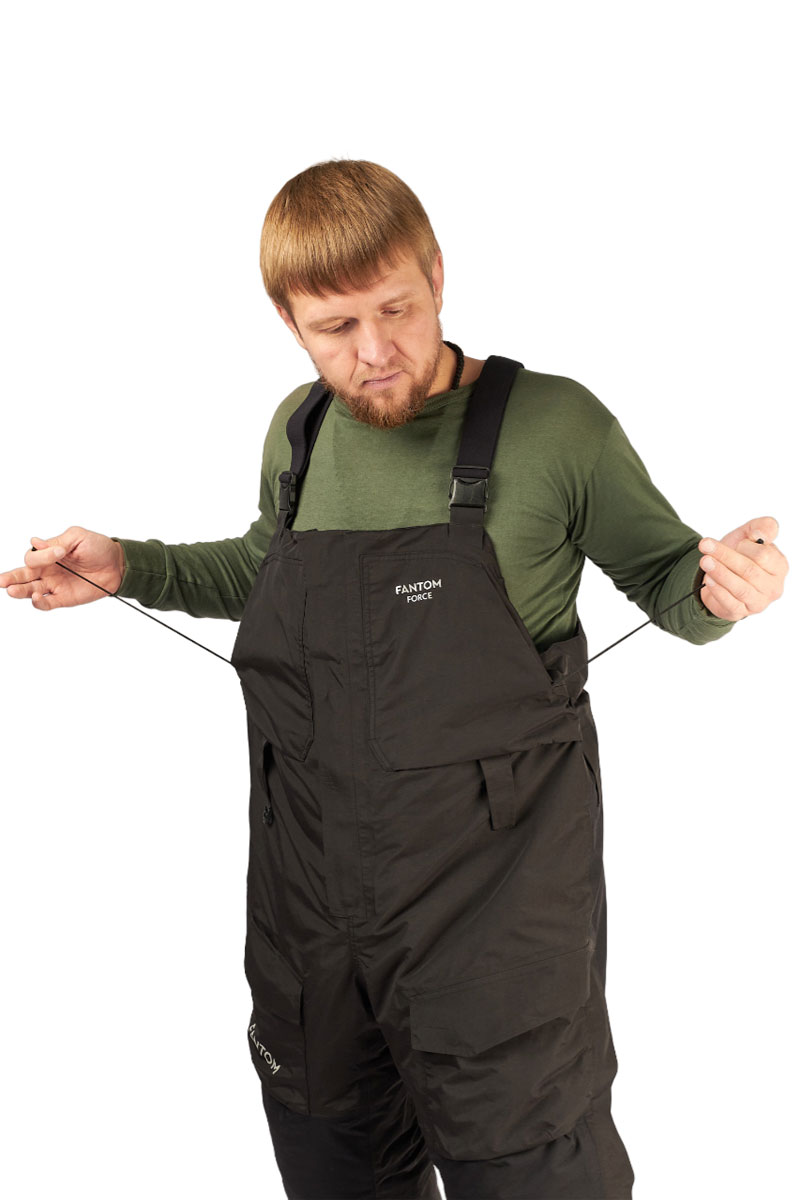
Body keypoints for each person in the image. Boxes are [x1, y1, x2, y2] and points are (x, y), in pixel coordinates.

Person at [0, 160, 788, 1200]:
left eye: (397, 310)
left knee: (535, 1169)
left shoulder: (557, 427)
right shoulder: (299, 428)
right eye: (335, 328)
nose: (373, 353)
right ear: (288, 321)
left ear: (437, 276)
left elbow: (672, 586)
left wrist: (728, 587)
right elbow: (267, 568)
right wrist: (130, 567)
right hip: (307, 909)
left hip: (495, 915)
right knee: (335, 1164)